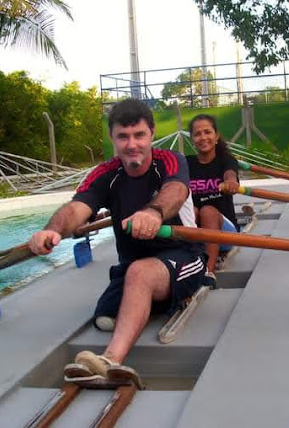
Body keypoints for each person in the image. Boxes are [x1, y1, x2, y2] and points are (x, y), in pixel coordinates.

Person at [28, 98, 207, 386]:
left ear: (152, 134)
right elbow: (76, 209)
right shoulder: (105, 174)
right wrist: (52, 230)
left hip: (185, 255)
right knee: (104, 318)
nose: (132, 144)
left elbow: (175, 191)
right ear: (112, 138)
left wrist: (153, 212)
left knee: (139, 274)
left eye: (139, 135)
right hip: (134, 265)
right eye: (123, 137)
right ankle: (150, 300)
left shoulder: (171, 161)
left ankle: (110, 360)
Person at [186, 114, 240, 281]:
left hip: (225, 234)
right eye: (197, 134)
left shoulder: (226, 160)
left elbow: (230, 173)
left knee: (207, 211)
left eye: (207, 132)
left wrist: (230, 182)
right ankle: (186, 263)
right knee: (192, 211)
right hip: (198, 231)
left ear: (216, 137)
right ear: (192, 139)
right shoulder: (186, 164)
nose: (203, 137)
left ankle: (208, 272)